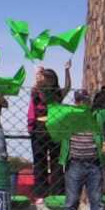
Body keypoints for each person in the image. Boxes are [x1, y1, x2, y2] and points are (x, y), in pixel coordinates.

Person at [28, 63, 71, 201]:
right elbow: (35, 86)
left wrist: (67, 70)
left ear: (54, 79)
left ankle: (58, 194)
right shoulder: (37, 91)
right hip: (39, 129)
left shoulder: (58, 93)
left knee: (56, 162)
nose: (47, 80)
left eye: (49, 78)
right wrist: (38, 74)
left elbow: (68, 86)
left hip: (55, 129)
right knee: (39, 163)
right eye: (45, 77)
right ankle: (41, 194)